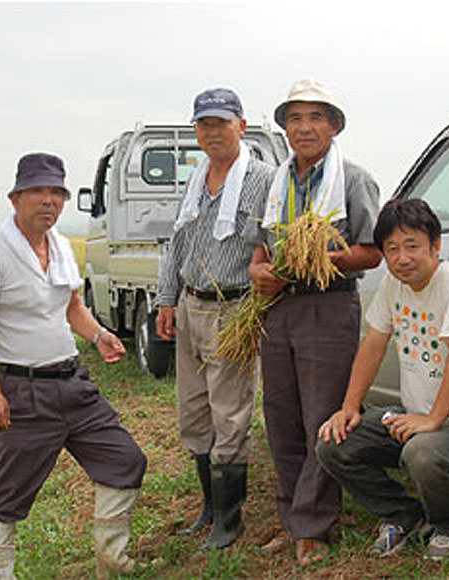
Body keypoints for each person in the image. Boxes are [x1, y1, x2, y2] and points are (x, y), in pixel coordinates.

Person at [0, 153, 147, 580]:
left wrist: (99, 335)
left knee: (126, 460)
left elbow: (73, 308)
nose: (48, 201)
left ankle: (112, 562)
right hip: (22, 391)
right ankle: (0, 575)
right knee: (7, 496)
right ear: (16, 198)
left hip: (73, 384)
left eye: (56, 193)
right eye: (38, 191)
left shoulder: (63, 246)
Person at [316, 198, 449, 561]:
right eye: (392, 249)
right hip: (413, 416)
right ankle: (402, 514)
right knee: (334, 442)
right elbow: (373, 344)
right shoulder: (393, 283)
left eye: (412, 246)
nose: (402, 258)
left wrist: (433, 419)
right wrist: (349, 407)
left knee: (423, 451)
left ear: (436, 246)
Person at [249, 79, 382, 565]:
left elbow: (371, 252)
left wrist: (317, 260)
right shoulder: (274, 182)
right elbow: (258, 250)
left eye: (316, 117)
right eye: (295, 118)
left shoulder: (353, 180)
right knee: (281, 420)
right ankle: (291, 519)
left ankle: (314, 526)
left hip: (327, 306)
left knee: (322, 419)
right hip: (277, 309)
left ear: (334, 126)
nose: (304, 127)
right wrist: (260, 271)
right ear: (284, 127)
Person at [155, 88, 275, 548]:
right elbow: (178, 241)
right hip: (190, 305)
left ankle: (230, 516)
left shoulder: (263, 178)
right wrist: (167, 298)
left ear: (241, 126)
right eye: (204, 124)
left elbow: (272, 241)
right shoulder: (196, 178)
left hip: (234, 308)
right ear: (196, 132)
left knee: (230, 411)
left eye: (221, 123)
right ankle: (209, 505)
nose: (212, 132)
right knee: (193, 410)